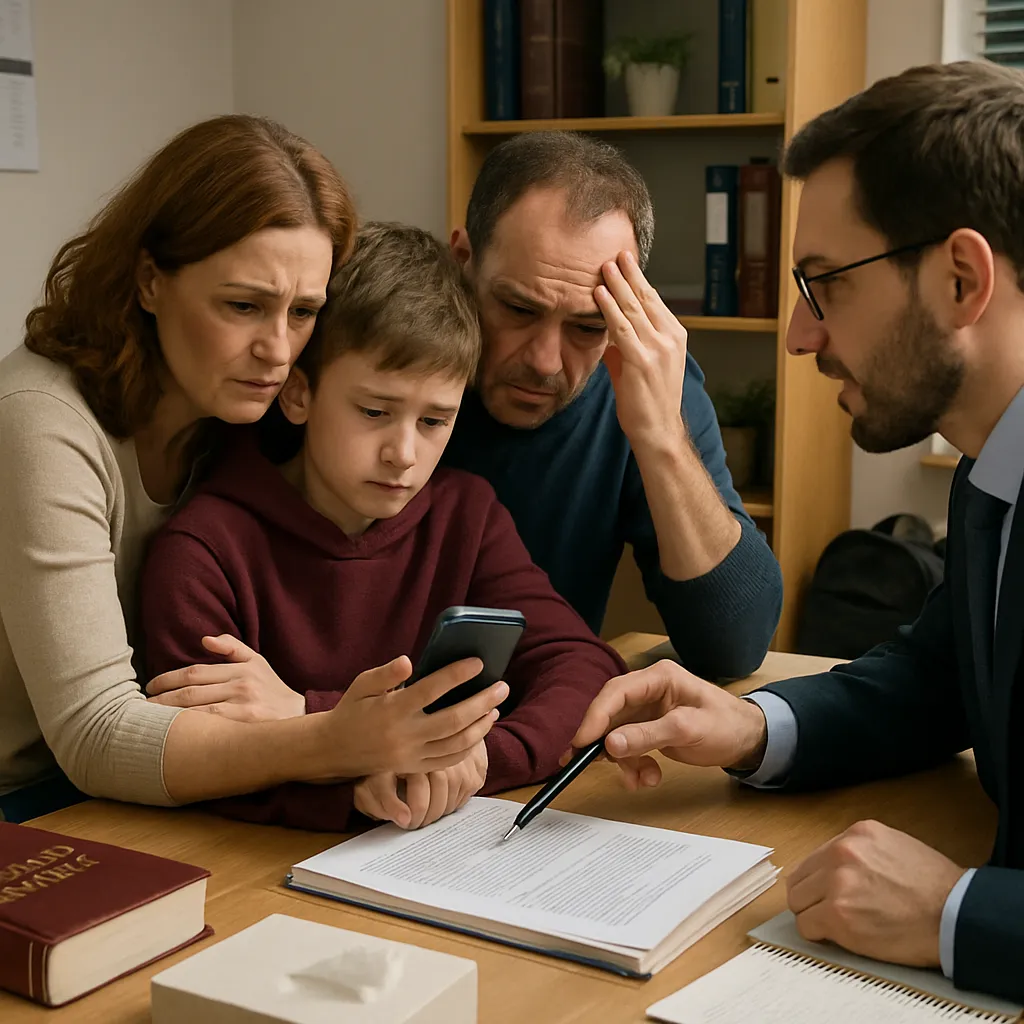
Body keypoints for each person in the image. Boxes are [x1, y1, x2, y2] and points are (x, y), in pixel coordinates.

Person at [566, 61, 1024, 1003]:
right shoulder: (993, 468)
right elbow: (938, 680)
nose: (799, 339)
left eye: (825, 288)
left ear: (961, 278)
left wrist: (958, 916)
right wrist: (748, 726)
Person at [0, 115, 498, 824]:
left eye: (303, 312)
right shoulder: (40, 419)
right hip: (29, 798)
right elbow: (97, 733)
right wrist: (335, 739)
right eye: (243, 306)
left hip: (153, 788)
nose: (277, 349)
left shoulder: (242, 403)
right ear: (149, 280)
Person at [139, 222, 627, 832]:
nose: (404, 453)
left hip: (430, 850)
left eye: (434, 421)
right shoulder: (203, 551)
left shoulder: (466, 515)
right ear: (298, 395)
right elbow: (193, 764)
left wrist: (469, 758)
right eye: (374, 411)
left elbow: (584, 667)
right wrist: (364, 775)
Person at [441, 131, 782, 681]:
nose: (547, 361)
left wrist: (663, 438)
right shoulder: (379, 348)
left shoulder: (644, 380)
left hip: (536, 722)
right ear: (463, 261)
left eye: (587, 326)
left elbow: (735, 646)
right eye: (519, 309)